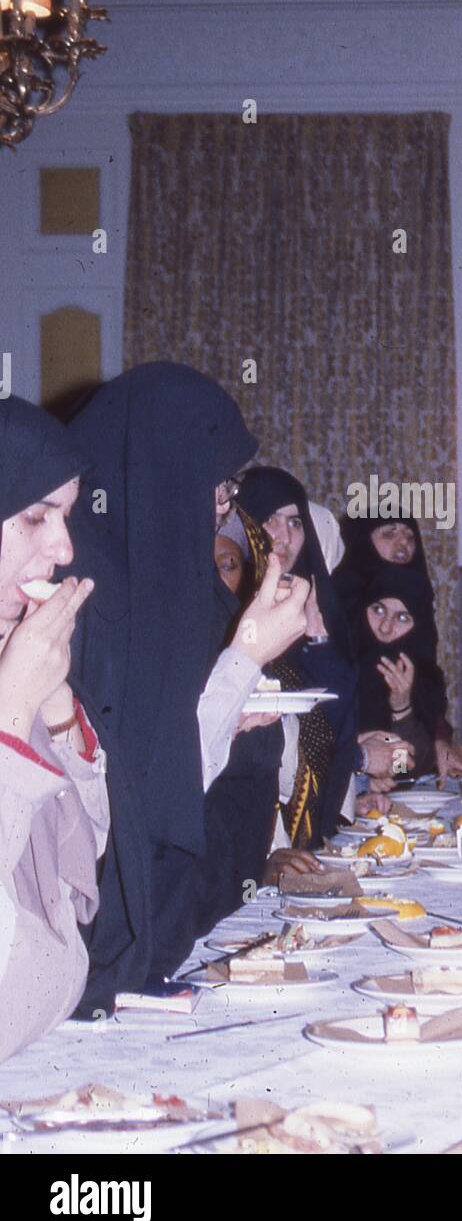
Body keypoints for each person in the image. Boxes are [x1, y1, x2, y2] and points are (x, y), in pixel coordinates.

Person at [67, 363, 309, 1010]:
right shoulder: (89, 587)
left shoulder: (176, 576)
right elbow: (142, 791)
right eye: (220, 484)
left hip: (160, 933)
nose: (225, 505)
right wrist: (248, 655)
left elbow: (185, 748)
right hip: (89, 954)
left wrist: (235, 701)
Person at [0, 396, 107, 1060]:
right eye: (35, 515)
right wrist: (12, 707)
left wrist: (56, 700)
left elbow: (84, 847)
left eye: (65, 516)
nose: (65, 548)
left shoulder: (13, 647)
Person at [238, 468, 364, 863]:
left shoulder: (311, 602)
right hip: (252, 835)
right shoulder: (229, 606)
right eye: (270, 520)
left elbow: (339, 721)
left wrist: (318, 638)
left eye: (295, 522)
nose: (284, 535)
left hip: (309, 831)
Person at [334, 512, 462, 780]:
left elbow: (402, 767)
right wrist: (362, 778)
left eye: (410, 536)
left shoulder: (412, 642)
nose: (403, 543)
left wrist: (436, 739)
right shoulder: (332, 620)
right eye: (389, 533)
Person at [356, 566, 451, 780]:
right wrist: (361, 780)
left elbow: (403, 769)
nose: (385, 628)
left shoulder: (425, 679)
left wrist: (401, 709)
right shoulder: (339, 665)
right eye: (378, 610)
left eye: (401, 618)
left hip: (388, 806)